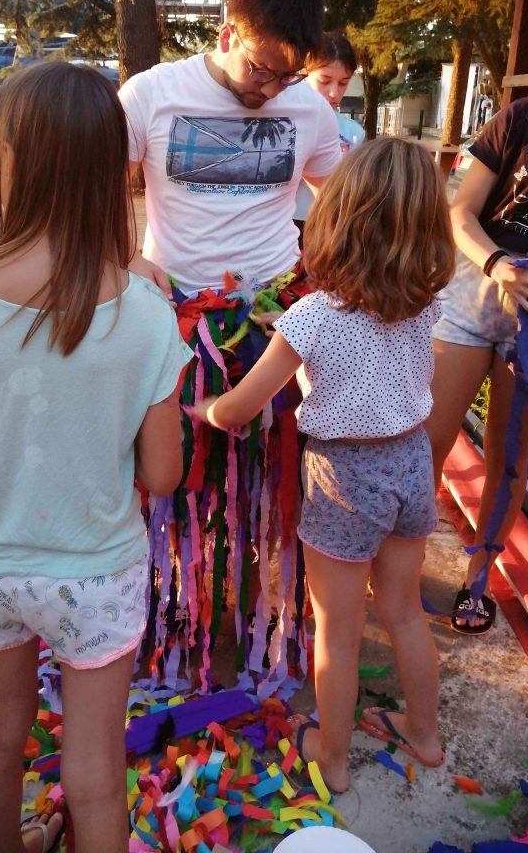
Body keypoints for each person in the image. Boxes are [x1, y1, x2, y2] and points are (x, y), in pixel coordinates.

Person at [0, 61, 192, 853]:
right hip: (98, 575)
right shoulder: (147, 311)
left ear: (6, 159)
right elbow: (163, 474)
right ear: (112, 174)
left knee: (0, 736)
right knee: (95, 770)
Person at [193, 137, 453, 793]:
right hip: (411, 460)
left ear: (338, 219)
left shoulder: (312, 318)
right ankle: (425, 735)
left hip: (344, 477)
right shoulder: (425, 302)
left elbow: (241, 408)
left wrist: (205, 409)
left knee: (338, 627)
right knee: (403, 611)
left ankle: (332, 757)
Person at [119, 0, 341, 686]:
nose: (271, 89)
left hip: (274, 321)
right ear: (226, 33)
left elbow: (343, 197)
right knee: (176, 477)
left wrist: (333, 271)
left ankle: (251, 611)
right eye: (260, 69)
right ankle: (176, 613)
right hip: (178, 322)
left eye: (288, 76)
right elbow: (95, 186)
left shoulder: (309, 108)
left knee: (267, 479)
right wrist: (128, 258)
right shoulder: (151, 93)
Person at [426, 0, 528, 634]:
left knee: (508, 454)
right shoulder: (524, 117)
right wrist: (498, 264)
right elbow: (460, 210)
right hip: (478, 287)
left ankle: (476, 580)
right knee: (428, 436)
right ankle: (397, 556)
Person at [295, 31, 365, 238]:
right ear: (302, 73)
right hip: (283, 224)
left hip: (329, 227)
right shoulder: (279, 123)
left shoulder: (354, 132)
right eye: (324, 81)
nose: (334, 92)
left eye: (343, 83)